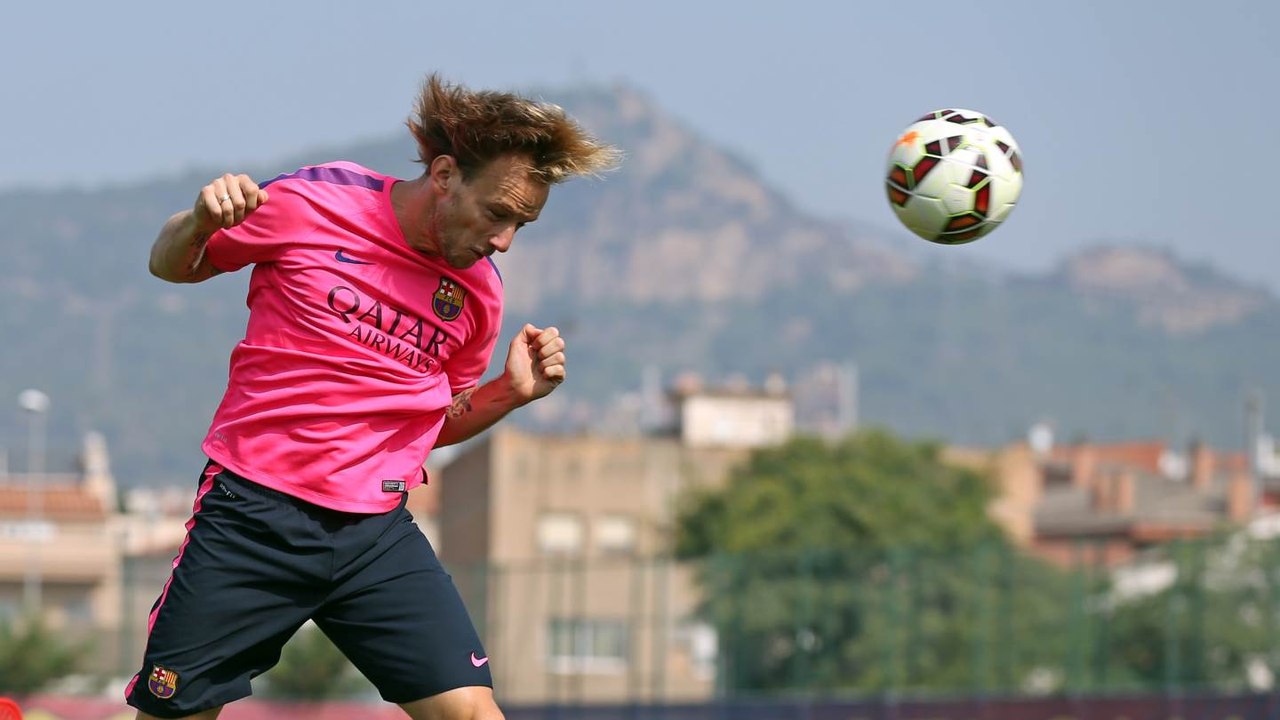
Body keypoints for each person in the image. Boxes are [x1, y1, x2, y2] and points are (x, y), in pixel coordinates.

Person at [125, 74, 621, 720]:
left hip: (373, 535)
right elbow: (171, 263)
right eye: (498, 213)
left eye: (521, 224)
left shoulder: (479, 294)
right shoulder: (314, 201)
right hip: (254, 515)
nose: (503, 240)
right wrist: (197, 221)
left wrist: (509, 393)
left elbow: (431, 424)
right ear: (444, 175)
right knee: (173, 716)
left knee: (474, 713)